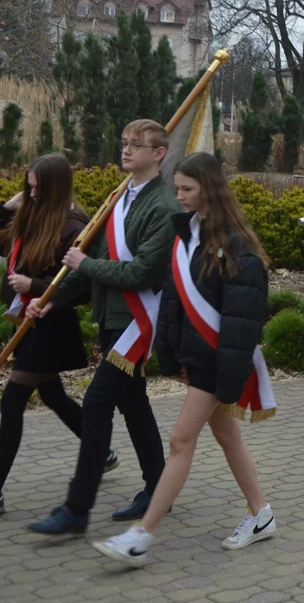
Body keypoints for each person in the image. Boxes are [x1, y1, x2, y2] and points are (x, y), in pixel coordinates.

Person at [90, 152, 276, 566]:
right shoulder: (187, 235)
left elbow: (242, 321)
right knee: (227, 436)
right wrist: (171, 357)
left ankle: (140, 535)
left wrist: (227, 379)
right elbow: (172, 301)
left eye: (187, 189)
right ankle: (261, 515)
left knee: (179, 440)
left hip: (218, 364)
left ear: (209, 188)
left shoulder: (236, 247)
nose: (180, 197)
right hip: (199, 360)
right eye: (177, 189)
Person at [27, 120, 180, 536]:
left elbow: (142, 273)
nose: (126, 150)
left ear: (159, 153)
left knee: (96, 403)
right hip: (113, 319)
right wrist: (49, 300)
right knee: (133, 403)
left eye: (136, 145)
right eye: (124, 143)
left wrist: (85, 264)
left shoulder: (164, 207)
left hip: (137, 322)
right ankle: (158, 486)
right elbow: (90, 259)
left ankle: (77, 508)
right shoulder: (119, 198)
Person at [0, 155, 120, 516]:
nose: (31, 194)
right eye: (29, 187)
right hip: (30, 320)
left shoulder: (74, 225)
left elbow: (81, 286)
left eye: (38, 188)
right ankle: (100, 449)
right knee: (51, 393)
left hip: (50, 325)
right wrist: (14, 200)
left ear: (55, 187)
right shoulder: (36, 213)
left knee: (13, 400)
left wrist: (33, 285)